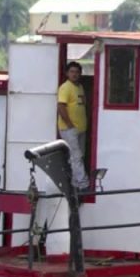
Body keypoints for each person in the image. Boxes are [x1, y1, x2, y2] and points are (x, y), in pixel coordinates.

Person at [57, 61, 88, 191]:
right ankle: (82, 184)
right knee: (76, 156)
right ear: (67, 73)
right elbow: (61, 106)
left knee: (78, 155)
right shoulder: (65, 87)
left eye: (77, 72)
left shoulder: (80, 87)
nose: (74, 74)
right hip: (70, 129)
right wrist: (70, 125)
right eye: (72, 72)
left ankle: (74, 182)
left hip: (80, 129)